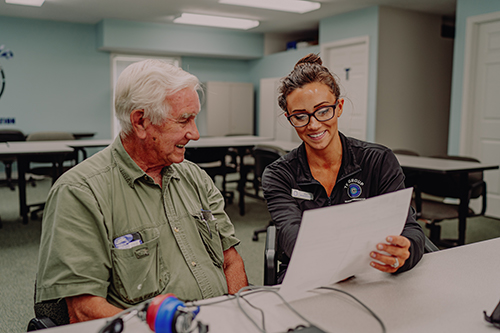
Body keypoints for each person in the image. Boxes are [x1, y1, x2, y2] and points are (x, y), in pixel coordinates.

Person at [35, 59, 248, 323]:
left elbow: (231, 261)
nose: (195, 133)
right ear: (140, 122)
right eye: (185, 120)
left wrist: (239, 319)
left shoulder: (195, 177)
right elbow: (84, 310)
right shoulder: (80, 192)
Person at [262, 53, 425, 284]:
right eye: (300, 117)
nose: (314, 124)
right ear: (290, 119)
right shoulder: (279, 175)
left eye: (323, 110)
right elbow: (293, 239)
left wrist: (405, 252)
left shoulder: (378, 161)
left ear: (338, 107)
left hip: (371, 276)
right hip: (309, 277)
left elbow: (410, 229)